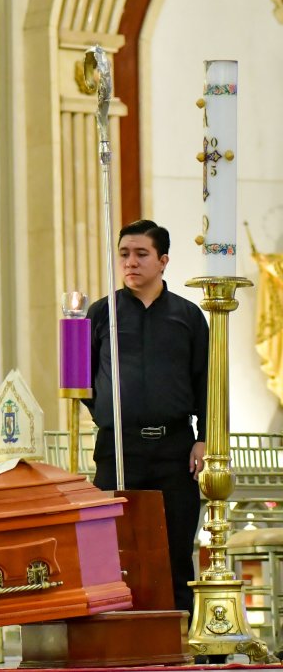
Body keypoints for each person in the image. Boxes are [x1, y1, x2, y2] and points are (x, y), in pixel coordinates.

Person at [84, 219, 207, 615]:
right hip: (118, 445)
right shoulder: (103, 312)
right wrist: (108, 414)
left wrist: (204, 437)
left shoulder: (188, 316)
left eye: (141, 254)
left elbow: (206, 381)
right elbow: (82, 380)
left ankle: (182, 635)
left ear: (163, 260)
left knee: (173, 548)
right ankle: (119, 639)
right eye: (124, 254)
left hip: (175, 449)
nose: (130, 263)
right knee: (113, 547)